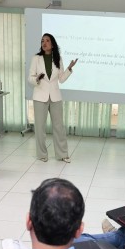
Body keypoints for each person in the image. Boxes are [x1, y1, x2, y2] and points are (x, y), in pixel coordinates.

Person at [28, 33, 77, 163]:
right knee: (40, 128)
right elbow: (30, 78)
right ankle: (42, 154)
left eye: (47, 41)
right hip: (40, 96)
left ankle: (62, 154)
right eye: (42, 41)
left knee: (59, 127)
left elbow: (61, 79)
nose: (44, 43)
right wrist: (37, 78)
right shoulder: (36, 58)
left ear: (52, 44)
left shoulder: (58, 58)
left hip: (55, 96)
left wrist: (69, 69)